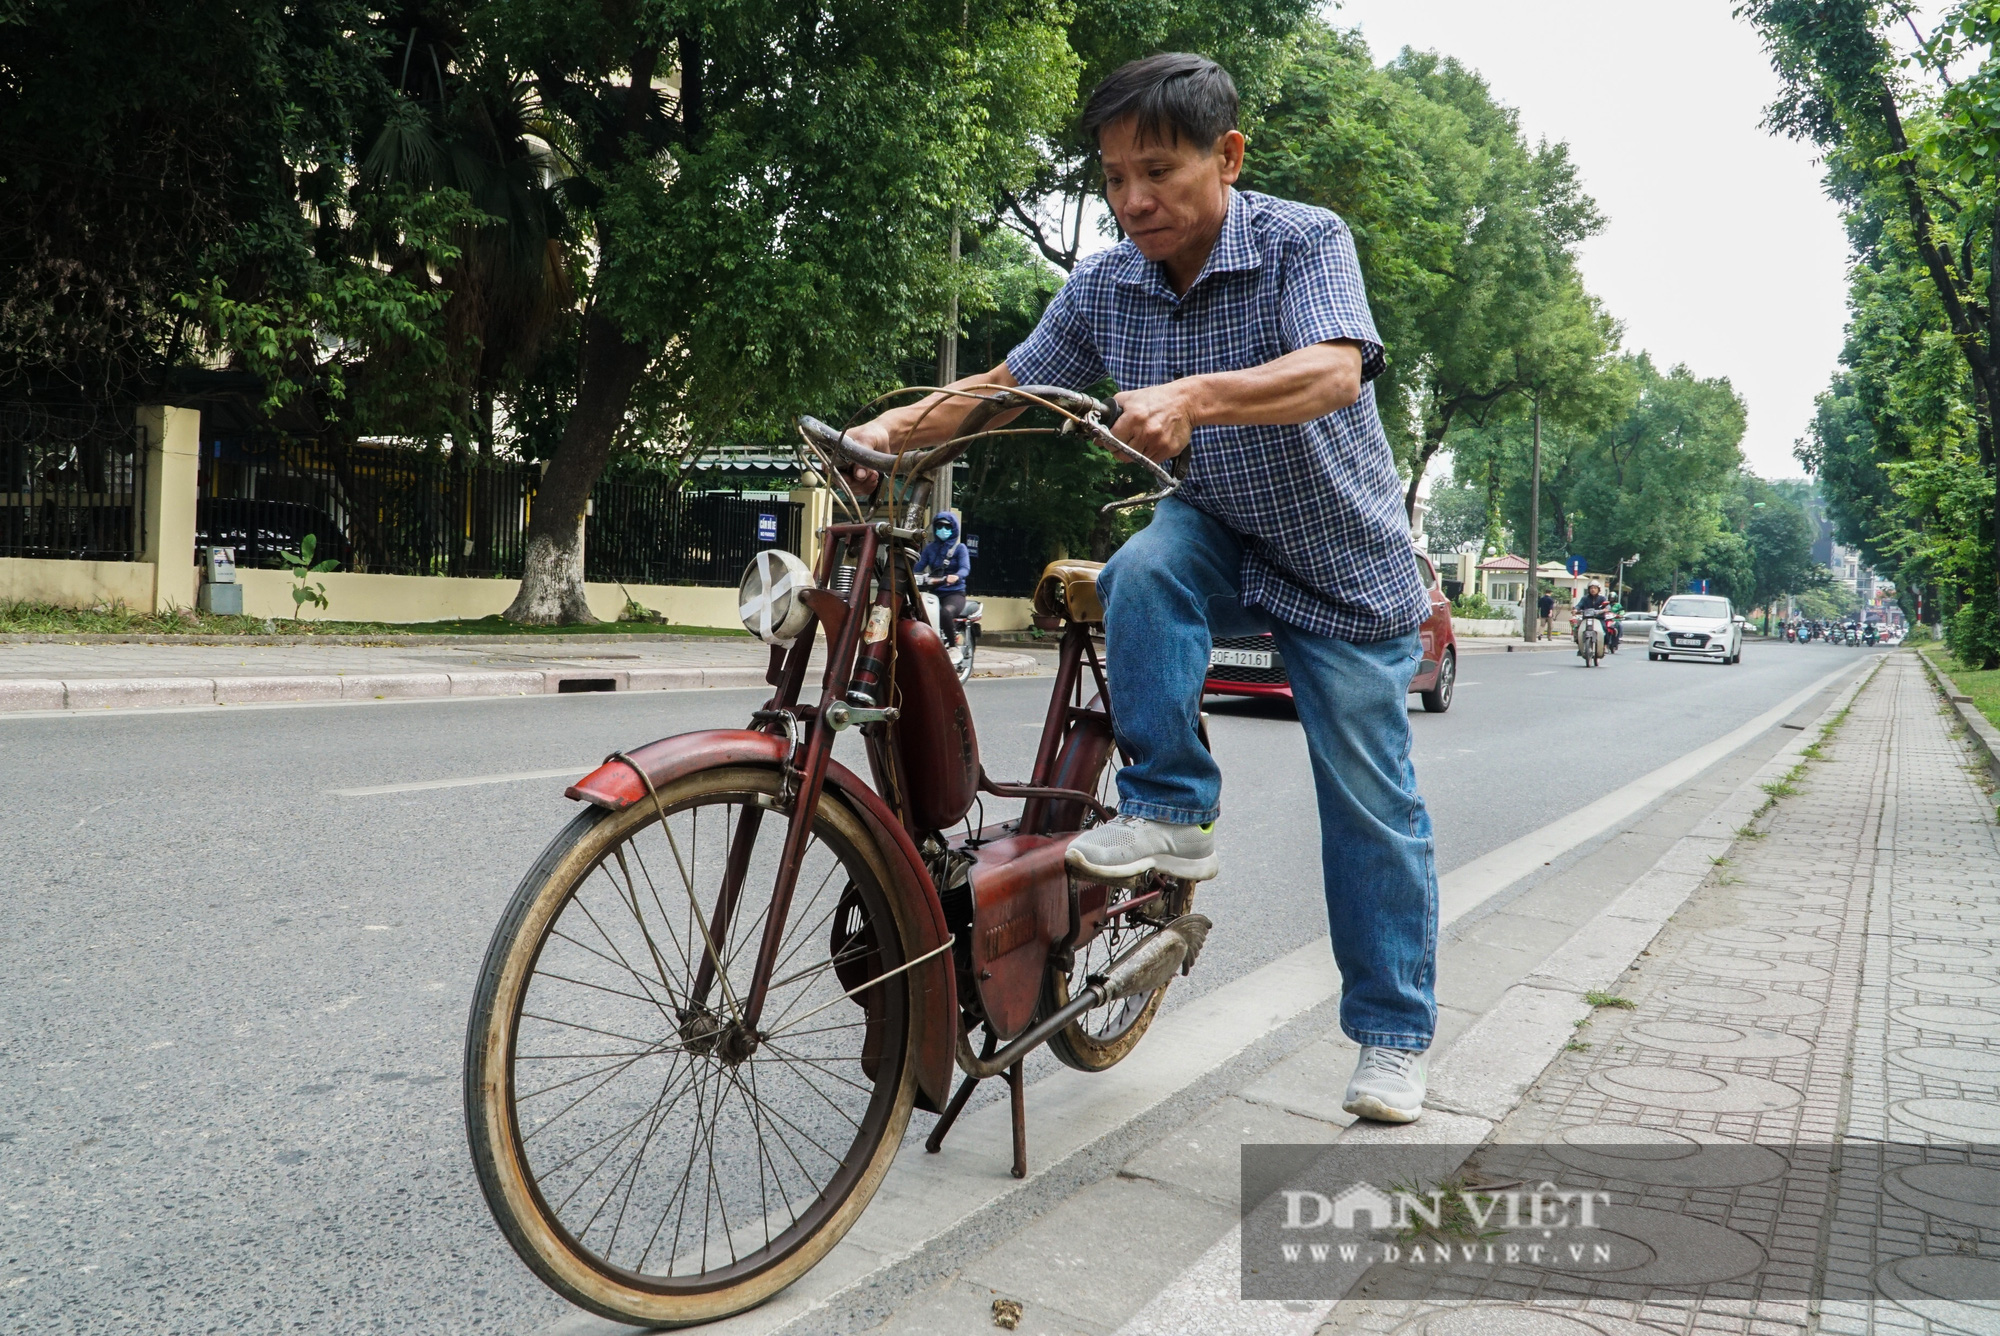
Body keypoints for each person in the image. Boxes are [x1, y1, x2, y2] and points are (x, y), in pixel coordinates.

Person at [841, 53, 1437, 1123]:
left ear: (1228, 157)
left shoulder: (1302, 242)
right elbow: (1005, 389)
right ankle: (1171, 811)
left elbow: (1336, 369)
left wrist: (1191, 397)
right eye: (1113, 177)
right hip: (1215, 532)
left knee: (1369, 807)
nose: (1132, 201)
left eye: (1156, 171)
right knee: (1142, 569)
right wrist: (894, 431)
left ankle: (1391, 1037)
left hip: (1341, 567)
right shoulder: (1105, 284)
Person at [915, 509, 971, 649]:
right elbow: (918, 566)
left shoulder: (960, 548)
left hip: (954, 593)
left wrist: (956, 576)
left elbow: (965, 568)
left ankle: (953, 647)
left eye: (947, 527)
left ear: (953, 528)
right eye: (939, 526)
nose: (943, 529)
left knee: (945, 613)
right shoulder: (929, 548)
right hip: (933, 591)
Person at [1573, 583, 1609, 656]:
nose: (1593, 590)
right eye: (1591, 588)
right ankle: (1580, 647)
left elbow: (1607, 606)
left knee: (1605, 629)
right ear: (1589, 589)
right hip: (1586, 618)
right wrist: (1575, 609)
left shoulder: (1602, 598)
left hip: (1599, 619)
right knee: (1577, 630)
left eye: (1595, 588)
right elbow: (1579, 605)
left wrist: (1606, 609)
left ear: (1598, 590)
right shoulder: (1585, 598)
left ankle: (1605, 646)